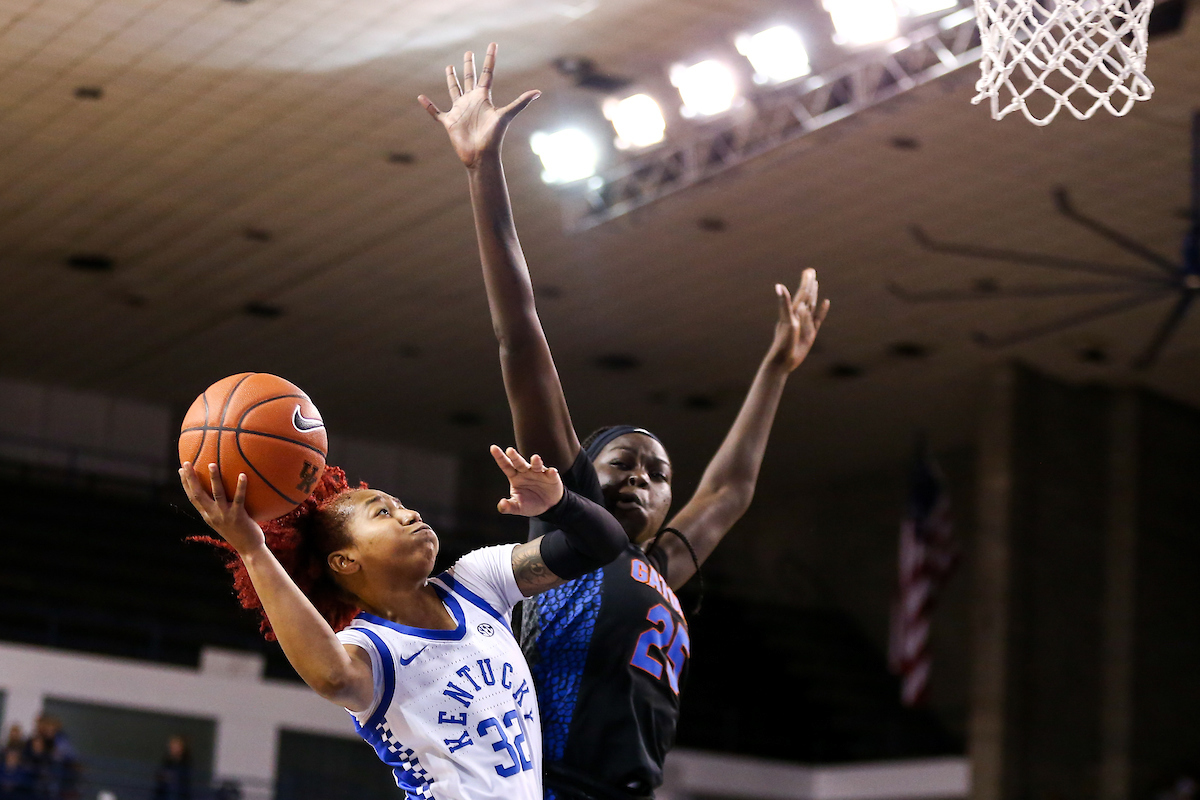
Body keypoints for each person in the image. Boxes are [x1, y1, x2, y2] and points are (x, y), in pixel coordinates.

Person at [420, 44, 829, 800]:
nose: (641, 477)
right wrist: (482, 170)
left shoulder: (665, 564)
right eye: (623, 463)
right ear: (582, 470)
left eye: (658, 473)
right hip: (544, 784)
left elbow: (731, 492)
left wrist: (775, 370)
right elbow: (521, 334)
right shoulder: (565, 536)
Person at [180, 443, 627, 800]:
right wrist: (253, 549)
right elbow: (333, 678)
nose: (410, 514)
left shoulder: (477, 581)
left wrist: (562, 504)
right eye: (383, 513)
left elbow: (603, 545)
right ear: (345, 560)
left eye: (401, 506)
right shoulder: (370, 650)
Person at [152, 735, 191, 800]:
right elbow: (160, 776)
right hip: (164, 793)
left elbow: (183, 780)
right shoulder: (166, 761)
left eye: (176, 747)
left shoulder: (185, 762)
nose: (173, 749)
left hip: (177, 794)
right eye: (172, 747)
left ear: (181, 748)